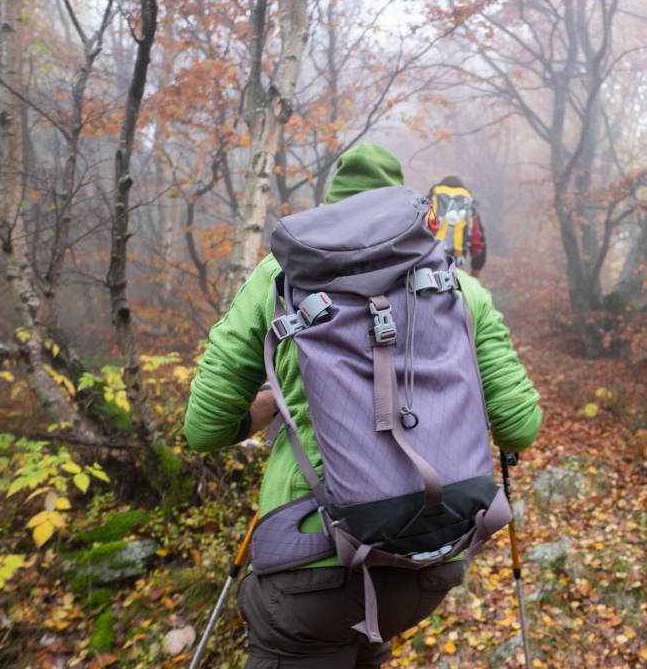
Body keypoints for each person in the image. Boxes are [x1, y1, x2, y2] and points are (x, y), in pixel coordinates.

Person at [184, 143, 541, 669]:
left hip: (309, 567)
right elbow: (520, 428)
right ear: (405, 205)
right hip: (425, 559)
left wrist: (270, 402)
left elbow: (205, 429)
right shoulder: (457, 287)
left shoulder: (278, 279)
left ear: (333, 206)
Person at [426, 176, 488, 280]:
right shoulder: (469, 207)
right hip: (456, 276)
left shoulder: (429, 201)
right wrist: (472, 280)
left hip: (425, 274)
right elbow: (479, 248)